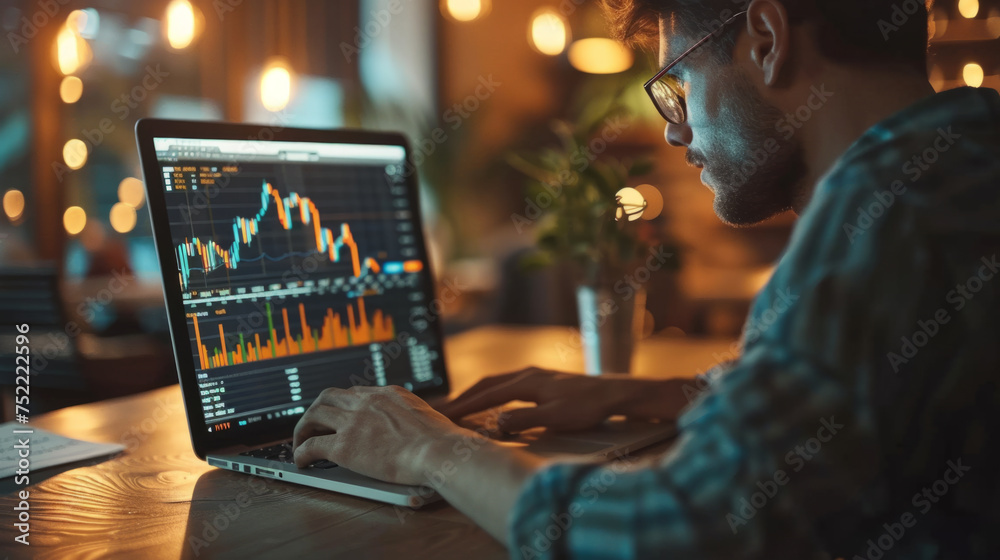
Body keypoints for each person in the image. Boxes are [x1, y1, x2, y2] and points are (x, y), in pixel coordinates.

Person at [292, 0, 1000, 557]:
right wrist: (651, 393)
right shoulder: (964, 156)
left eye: (679, 82)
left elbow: (678, 534)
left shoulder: (880, 217)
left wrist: (431, 449)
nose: (672, 130)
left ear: (766, 39)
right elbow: (873, 386)